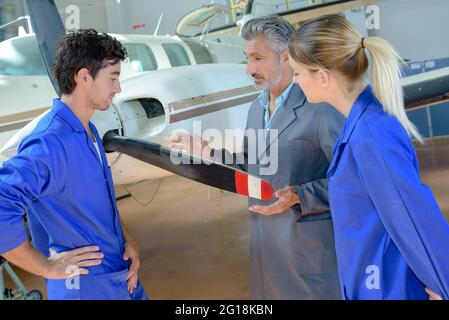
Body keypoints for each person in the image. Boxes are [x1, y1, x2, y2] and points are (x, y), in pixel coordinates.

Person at [172, 16, 344, 299]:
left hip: (311, 261)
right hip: (267, 255)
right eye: (246, 58)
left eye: (258, 58)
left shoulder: (320, 107)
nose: (249, 69)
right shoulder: (257, 108)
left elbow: (354, 181)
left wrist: (301, 195)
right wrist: (208, 152)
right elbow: (252, 165)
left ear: (286, 56)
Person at [288, 14, 449, 300]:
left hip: (390, 288)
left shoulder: (370, 136)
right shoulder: (358, 126)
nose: (295, 81)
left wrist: (446, 284)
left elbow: (413, 216)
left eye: (297, 73)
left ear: (322, 76)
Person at [0, 29, 148, 300]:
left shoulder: (87, 130)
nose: (119, 88)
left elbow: (96, 204)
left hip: (118, 275)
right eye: (113, 78)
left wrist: (128, 239)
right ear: (83, 77)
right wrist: (44, 267)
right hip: (85, 287)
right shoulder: (49, 143)